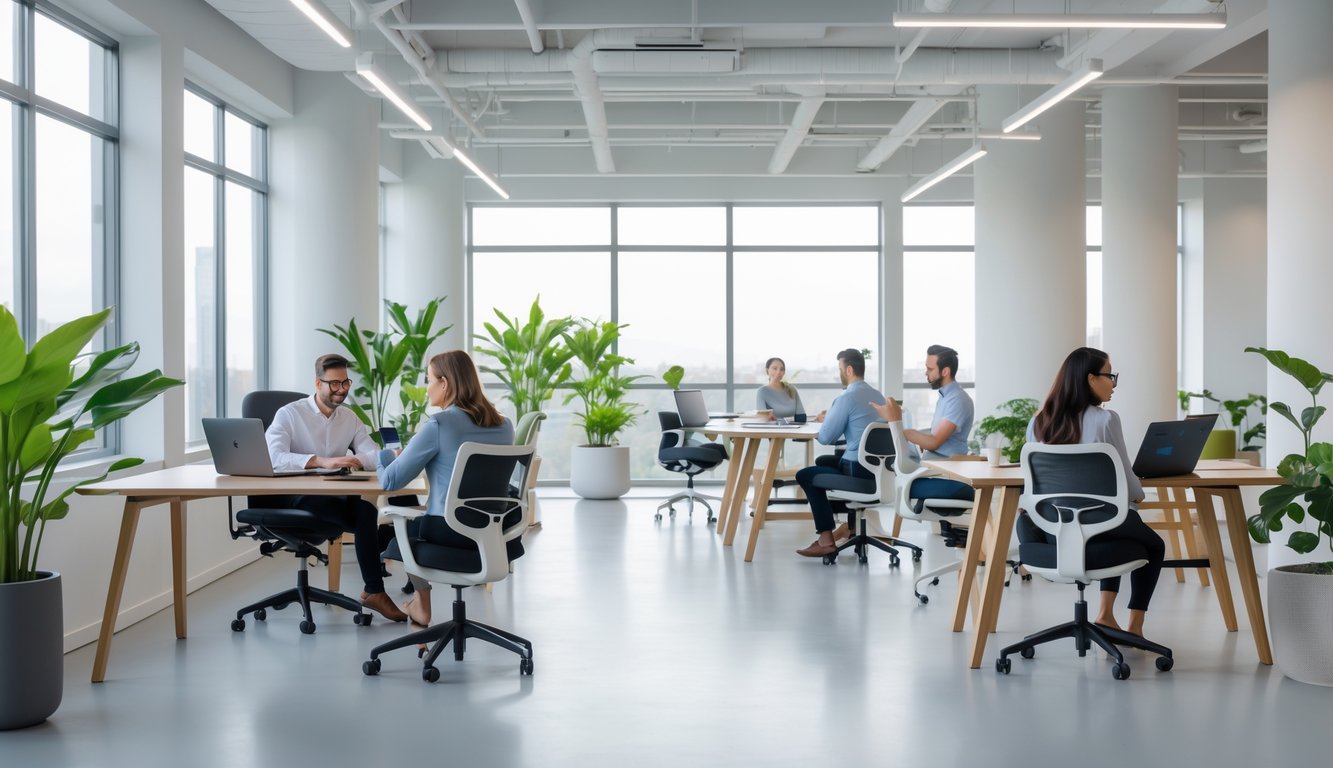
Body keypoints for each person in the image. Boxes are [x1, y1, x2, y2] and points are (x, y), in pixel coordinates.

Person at [1023, 346, 1165, 638]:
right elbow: (1125, 477)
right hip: (1103, 524)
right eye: (1109, 375)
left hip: (1053, 528)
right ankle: (1134, 627)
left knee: (1113, 525)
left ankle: (1105, 614)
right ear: (1090, 378)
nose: (1113, 383)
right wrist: (1138, 495)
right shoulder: (1105, 420)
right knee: (1151, 543)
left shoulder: (1038, 422)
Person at [376, 350, 515, 627]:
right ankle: (420, 601)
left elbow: (390, 482)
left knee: (391, 534)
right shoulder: (505, 425)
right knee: (414, 523)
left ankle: (421, 600)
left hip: (449, 530)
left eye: (429, 380)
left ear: (445, 383)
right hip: (493, 533)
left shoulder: (438, 424)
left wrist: (385, 458)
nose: (426, 390)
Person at [265, 353, 407, 622]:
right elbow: (273, 458)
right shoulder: (290, 414)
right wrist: (321, 461)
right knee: (361, 514)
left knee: (366, 511)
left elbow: (372, 454)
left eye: (346, 383)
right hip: (295, 497)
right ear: (317, 383)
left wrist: (360, 459)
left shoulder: (349, 418)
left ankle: (374, 591)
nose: (342, 390)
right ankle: (376, 589)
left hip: (332, 496)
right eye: (334, 384)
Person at [793, 348, 884, 558]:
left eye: (840, 369)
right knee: (823, 461)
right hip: (877, 471)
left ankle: (826, 540)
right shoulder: (877, 395)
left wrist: (829, 419)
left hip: (858, 471)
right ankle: (850, 526)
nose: (839, 374)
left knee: (806, 475)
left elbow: (826, 438)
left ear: (849, 370)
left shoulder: (847, 398)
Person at [871, 344, 975, 501]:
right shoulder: (945, 397)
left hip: (947, 470)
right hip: (935, 465)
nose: (926, 373)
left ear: (945, 371)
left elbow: (934, 442)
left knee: (901, 485)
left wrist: (906, 433)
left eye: (930, 369)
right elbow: (935, 435)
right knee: (898, 477)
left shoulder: (957, 400)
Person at [755, 357, 805, 421]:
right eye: (774, 368)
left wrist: (778, 420)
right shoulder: (762, 391)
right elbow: (762, 419)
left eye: (782, 369)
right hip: (772, 430)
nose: (778, 372)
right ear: (767, 370)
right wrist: (789, 420)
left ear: (784, 372)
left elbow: (802, 417)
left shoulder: (792, 389)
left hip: (793, 429)